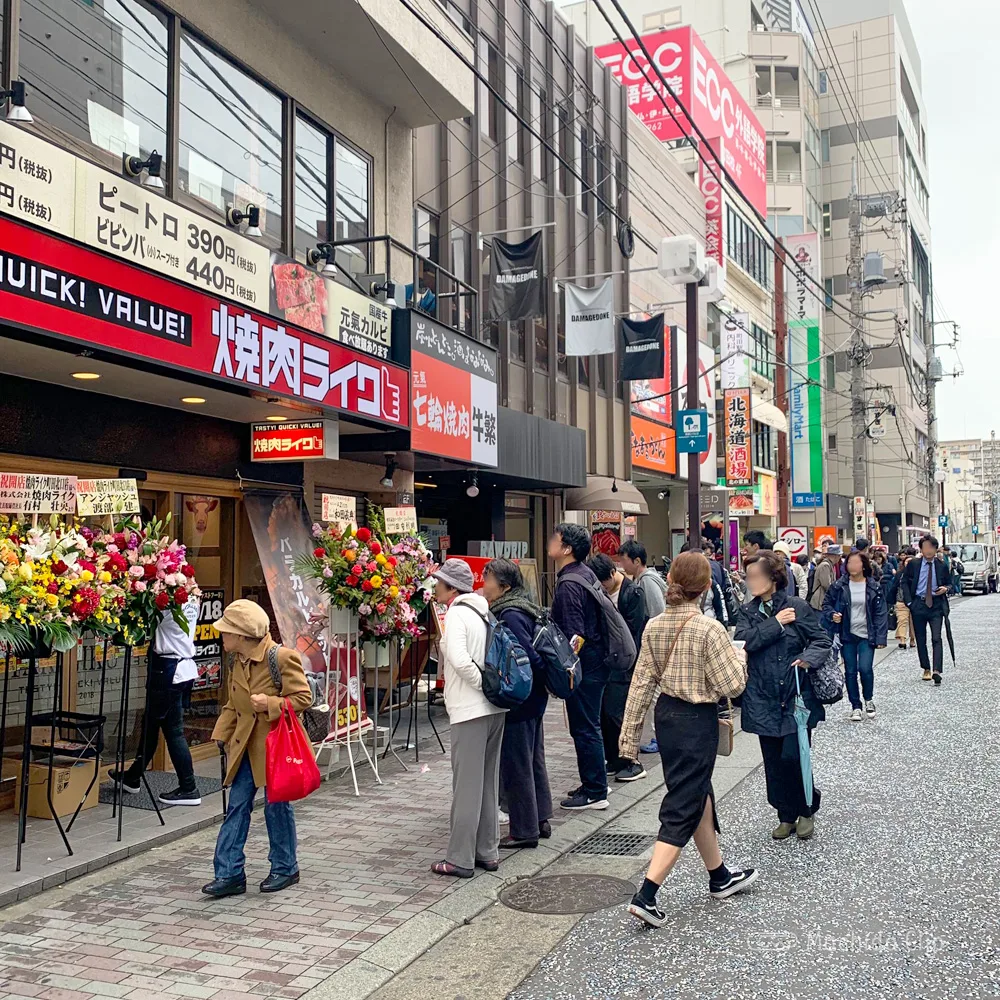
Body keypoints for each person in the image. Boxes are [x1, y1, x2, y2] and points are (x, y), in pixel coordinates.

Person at [620, 552, 756, 927]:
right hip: (697, 720)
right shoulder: (710, 629)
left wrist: (629, 737)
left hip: (667, 717)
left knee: (698, 791)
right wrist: (739, 659)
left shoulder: (654, 626)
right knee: (684, 800)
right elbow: (732, 684)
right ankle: (646, 893)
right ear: (707, 586)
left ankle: (719, 875)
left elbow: (642, 682)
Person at [203, 600, 312, 898]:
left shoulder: (281, 658)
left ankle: (285, 867)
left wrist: (271, 704)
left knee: (277, 808)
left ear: (242, 635)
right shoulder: (236, 660)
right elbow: (231, 704)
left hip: (275, 747)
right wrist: (221, 736)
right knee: (237, 806)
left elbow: (303, 698)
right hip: (244, 747)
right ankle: (229, 873)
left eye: (226, 631)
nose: (222, 636)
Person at [734, 552, 831, 841]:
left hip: (795, 694)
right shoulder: (747, 611)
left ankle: (806, 808)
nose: (750, 581)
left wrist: (806, 659)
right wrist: (775, 623)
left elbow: (821, 640)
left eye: (756, 576)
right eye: (748, 576)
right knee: (773, 760)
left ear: (773, 578)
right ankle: (784, 814)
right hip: (762, 696)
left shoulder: (797, 607)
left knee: (794, 756)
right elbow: (743, 643)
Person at [430, 559, 507, 877]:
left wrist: (480, 684)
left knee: (466, 785)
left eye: (439, 582)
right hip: (494, 710)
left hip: (470, 710)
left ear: (451, 588)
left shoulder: (458, 613)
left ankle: (460, 858)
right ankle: (487, 851)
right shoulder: (484, 610)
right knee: (488, 782)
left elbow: (459, 658)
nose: (435, 587)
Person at [480, 559, 553, 851]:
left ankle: (524, 830)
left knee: (517, 762)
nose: (484, 584)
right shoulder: (525, 605)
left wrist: (524, 683)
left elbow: (525, 657)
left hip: (521, 697)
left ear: (505, 586)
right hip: (534, 697)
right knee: (533, 756)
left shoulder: (509, 614)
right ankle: (541, 819)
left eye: (488, 579)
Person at [110, 597, 202, 805]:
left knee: (172, 731)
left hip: (168, 668)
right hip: (181, 668)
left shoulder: (168, 604)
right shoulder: (192, 600)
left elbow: (143, 616)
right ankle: (133, 776)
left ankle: (188, 787)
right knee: (152, 724)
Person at [550, 524, 611, 811]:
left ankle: (595, 791)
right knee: (590, 725)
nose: (550, 542)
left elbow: (575, 636)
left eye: (555, 539)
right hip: (597, 662)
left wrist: (566, 669)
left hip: (585, 667)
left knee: (585, 727)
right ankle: (595, 782)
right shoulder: (584, 575)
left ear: (567, 549)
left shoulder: (570, 583)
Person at [589, 553, 648, 783]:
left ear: (613, 574)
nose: (603, 587)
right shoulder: (598, 591)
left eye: (604, 582)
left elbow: (635, 631)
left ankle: (631, 760)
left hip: (625, 661)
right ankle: (613, 757)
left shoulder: (633, 593)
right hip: (607, 661)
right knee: (605, 712)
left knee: (618, 712)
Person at [821, 551, 888, 721]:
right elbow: (826, 604)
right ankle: (855, 705)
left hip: (867, 633)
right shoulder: (839, 585)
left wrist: (881, 637)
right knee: (850, 671)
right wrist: (832, 615)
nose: (852, 566)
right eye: (850, 563)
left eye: (856, 563)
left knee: (865, 668)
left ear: (864, 565)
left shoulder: (873, 586)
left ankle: (868, 699)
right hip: (847, 633)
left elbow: (880, 612)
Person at [900, 535, 949, 684]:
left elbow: (950, 582)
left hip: (936, 605)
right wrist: (909, 602)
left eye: (931, 547)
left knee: (936, 637)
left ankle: (937, 670)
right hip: (919, 604)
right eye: (925, 547)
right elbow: (904, 583)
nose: (928, 550)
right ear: (921, 549)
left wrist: (945, 588)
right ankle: (926, 667)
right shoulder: (914, 564)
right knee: (921, 639)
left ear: (935, 549)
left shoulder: (941, 565)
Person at [618, 539, 667, 619]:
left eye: (623, 560)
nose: (622, 565)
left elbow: (658, 613)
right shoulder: (638, 579)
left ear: (637, 561)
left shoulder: (648, 581)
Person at [888, 547, 917, 650]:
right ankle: (903, 640)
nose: (908, 564)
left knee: (913, 622)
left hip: (915, 601)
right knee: (902, 620)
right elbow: (894, 586)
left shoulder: (918, 575)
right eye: (906, 562)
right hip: (901, 600)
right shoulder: (900, 574)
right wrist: (891, 600)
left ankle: (913, 639)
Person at [809, 544, 840, 611]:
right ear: (835, 556)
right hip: (820, 601)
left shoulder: (830, 565)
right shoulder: (825, 565)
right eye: (839, 555)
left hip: (824, 600)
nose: (839, 558)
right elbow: (826, 585)